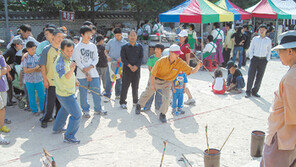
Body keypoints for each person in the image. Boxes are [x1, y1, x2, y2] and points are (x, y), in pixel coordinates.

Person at [136, 44, 203, 123]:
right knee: (148, 93)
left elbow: (191, 71)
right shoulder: (161, 61)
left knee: (167, 98)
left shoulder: (180, 62)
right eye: (176, 53)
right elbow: (153, 73)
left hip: (167, 82)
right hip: (156, 80)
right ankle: (139, 105)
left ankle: (163, 114)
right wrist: (153, 84)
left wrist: (198, 66)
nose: (178, 55)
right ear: (170, 53)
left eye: (179, 53)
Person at [260, 30, 296, 167]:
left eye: (281, 51)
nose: (279, 55)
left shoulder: (292, 77)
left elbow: (292, 115)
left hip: (282, 138)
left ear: (290, 52)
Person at [72, 26, 107, 118]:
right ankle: (85, 110)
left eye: (90, 34)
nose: (89, 36)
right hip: (81, 74)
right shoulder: (77, 47)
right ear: (82, 35)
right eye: (87, 34)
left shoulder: (93, 46)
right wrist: (86, 72)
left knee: (96, 91)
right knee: (83, 94)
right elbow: (78, 62)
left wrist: (91, 66)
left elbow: (96, 58)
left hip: (94, 73)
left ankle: (98, 109)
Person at [52, 39, 82, 144]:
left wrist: (75, 80)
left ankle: (57, 128)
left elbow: (70, 76)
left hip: (65, 91)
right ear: (61, 50)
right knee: (77, 115)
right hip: (65, 94)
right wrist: (72, 70)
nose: (70, 53)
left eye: (71, 50)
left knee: (64, 109)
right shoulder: (60, 62)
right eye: (68, 51)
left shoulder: (66, 59)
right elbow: (65, 76)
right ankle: (69, 136)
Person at [39, 29, 63, 128]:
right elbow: (42, 66)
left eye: (62, 37)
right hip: (51, 81)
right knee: (50, 103)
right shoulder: (46, 49)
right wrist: (45, 80)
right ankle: (45, 119)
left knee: (60, 102)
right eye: (58, 37)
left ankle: (58, 117)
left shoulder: (62, 49)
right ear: (53, 37)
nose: (60, 39)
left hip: (61, 82)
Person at [245, 24, 272, 98]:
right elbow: (251, 49)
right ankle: (248, 91)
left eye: (263, 29)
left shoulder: (268, 41)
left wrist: (267, 59)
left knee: (259, 76)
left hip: (263, 60)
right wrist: (251, 57)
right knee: (251, 75)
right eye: (260, 29)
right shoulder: (255, 39)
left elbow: (269, 51)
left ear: (266, 30)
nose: (262, 31)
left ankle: (255, 91)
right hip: (255, 59)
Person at [119, 30, 143, 109]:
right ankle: (122, 102)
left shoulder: (140, 47)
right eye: (131, 35)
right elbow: (123, 58)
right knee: (125, 86)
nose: (132, 37)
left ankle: (135, 101)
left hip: (137, 69)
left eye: (134, 35)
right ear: (128, 37)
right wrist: (130, 66)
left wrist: (136, 66)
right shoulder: (124, 47)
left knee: (135, 86)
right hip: (127, 69)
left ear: (136, 37)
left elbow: (141, 58)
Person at [21, 41, 45, 116]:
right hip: (29, 80)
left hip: (38, 79)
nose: (34, 51)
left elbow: (41, 68)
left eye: (35, 49)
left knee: (41, 95)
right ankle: (34, 110)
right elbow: (25, 70)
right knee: (31, 96)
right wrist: (35, 68)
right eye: (32, 49)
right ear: (27, 49)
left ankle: (43, 109)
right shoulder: (25, 58)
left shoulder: (37, 57)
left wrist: (33, 69)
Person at [104, 28, 127, 100]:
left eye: (119, 35)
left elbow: (127, 53)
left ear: (121, 34)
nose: (118, 37)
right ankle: (107, 94)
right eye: (116, 36)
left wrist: (122, 58)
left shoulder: (125, 43)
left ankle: (118, 94)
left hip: (121, 63)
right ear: (114, 35)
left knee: (119, 79)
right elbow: (106, 51)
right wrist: (107, 56)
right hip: (111, 62)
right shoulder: (111, 41)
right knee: (109, 78)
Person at [142, 44, 164, 111]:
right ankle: (147, 106)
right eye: (156, 49)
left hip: (160, 79)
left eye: (158, 49)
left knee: (159, 93)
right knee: (150, 93)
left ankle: (158, 106)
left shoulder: (163, 59)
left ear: (161, 51)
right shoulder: (151, 58)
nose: (156, 50)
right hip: (152, 78)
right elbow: (150, 68)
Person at [3, 39, 23, 106]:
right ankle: (8, 101)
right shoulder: (10, 51)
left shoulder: (14, 51)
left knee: (10, 85)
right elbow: (3, 59)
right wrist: (7, 72)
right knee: (8, 86)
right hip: (7, 71)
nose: (22, 46)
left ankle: (10, 100)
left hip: (10, 70)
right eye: (21, 44)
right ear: (17, 45)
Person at [178, 30, 196, 105]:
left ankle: (189, 98)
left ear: (185, 37)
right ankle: (190, 98)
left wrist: (187, 68)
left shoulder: (186, 46)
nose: (179, 38)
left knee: (180, 83)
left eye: (181, 37)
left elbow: (187, 58)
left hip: (183, 67)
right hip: (179, 66)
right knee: (180, 83)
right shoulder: (180, 45)